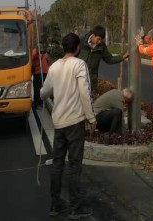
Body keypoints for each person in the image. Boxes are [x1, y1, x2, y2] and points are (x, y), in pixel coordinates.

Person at [40, 33, 96, 220]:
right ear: (78, 47)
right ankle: (75, 207)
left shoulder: (54, 66)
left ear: (64, 48)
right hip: (75, 122)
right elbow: (85, 92)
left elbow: (44, 92)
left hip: (59, 122)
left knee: (57, 163)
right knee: (74, 164)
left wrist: (41, 94)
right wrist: (91, 118)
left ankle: (55, 205)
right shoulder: (79, 64)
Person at [78, 25, 129, 91]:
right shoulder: (81, 41)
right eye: (98, 39)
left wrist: (122, 57)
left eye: (101, 40)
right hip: (77, 78)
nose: (100, 41)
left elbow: (109, 59)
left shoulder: (102, 47)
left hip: (90, 81)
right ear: (93, 35)